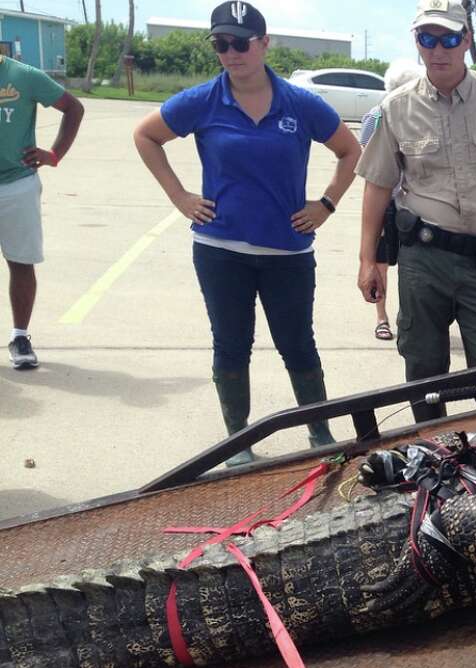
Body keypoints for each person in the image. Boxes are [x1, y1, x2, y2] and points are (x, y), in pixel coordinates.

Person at [133, 2, 361, 465]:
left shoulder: (301, 103)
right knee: (231, 344)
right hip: (220, 250)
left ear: (264, 43)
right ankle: (238, 442)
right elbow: (145, 136)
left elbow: (350, 150)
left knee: (297, 341)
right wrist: (180, 197)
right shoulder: (203, 100)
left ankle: (319, 433)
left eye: (241, 42)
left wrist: (326, 204)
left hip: (287, 252)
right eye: (222, 44)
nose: (232, 53)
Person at [356, 0, 476, 423]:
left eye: (448, 38)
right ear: (417, 42)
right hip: (423, 261)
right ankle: (433, 457)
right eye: (428, 39)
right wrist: (367, 260)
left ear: (466, 39)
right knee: (424, 376)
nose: (438, 49)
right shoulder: (397, 108)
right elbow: (377, 186)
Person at [1, 53, 84, 370]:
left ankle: (20, 336)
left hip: (17, 184)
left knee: (21, 263)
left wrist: (54, 154)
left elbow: (73, 108)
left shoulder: (24, 75)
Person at [359, 59, 425, 342]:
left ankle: (410, 318)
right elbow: (370, 162)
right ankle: (382, 317)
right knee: (381, 262)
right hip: (387, 200)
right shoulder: (377, 116)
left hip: (415, 201)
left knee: (416, 264)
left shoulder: (421, 114)